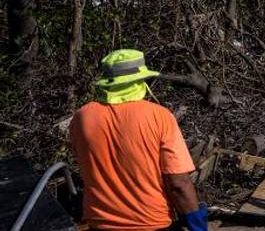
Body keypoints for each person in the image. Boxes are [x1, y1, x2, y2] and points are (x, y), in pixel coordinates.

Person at [69, 49, 208, 231]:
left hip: (99, 224)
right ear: (140, 79)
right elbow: (179, 183)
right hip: (151, 223)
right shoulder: (160, 116)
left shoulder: (81, 118)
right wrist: (196, 223)